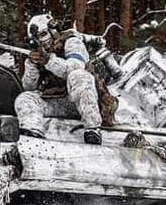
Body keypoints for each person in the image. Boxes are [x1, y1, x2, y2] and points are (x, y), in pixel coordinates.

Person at [14, 14, 103, 144]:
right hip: (59, 102)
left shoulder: (72, 42)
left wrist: (49, 61)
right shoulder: (38, 54)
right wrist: (32, 65)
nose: (42, 41)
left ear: (53, 30)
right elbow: (28, 87)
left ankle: (92, 129)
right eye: (37, 38)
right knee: (25, 98)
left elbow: (76, 67)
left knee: (78, 76)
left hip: (84, 101)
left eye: (43, 34)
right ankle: (32, 134)